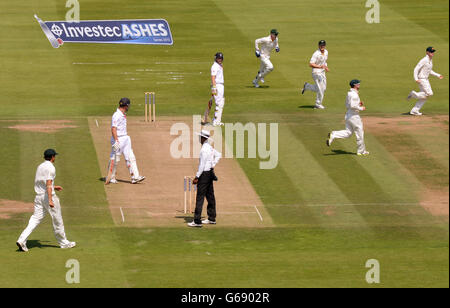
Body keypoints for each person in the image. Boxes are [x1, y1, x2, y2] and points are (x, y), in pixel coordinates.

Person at [16, 149, 76, 251]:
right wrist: (50, 200)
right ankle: (64, 243)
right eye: (54, 156)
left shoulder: (40, 166)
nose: (55, 158)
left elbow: (42, 182)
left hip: (38, 197)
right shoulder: (51, 168)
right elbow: (48, 184)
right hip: (48, 196)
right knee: (57, 220)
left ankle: (21, 240)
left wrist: (54, 186)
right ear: (52, 157)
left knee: (35, 219)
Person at [106, 97, 146, 184]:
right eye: (128, 106)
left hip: (126, 138)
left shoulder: (122, 114)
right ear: (126, 106)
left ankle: (135, 177)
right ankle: (111, 177)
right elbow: (113, 129)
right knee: (115, 159)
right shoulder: (116, 115)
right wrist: (116, 140)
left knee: (131, 157)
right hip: (119, 139)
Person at [188, 130, 222, 228]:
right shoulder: (210, 147)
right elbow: (218, 154)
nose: (199, 138)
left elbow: (202, 165)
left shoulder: (204, 150)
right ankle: (212, 218)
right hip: (210, 173)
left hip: (204, 175)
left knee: (200, 197)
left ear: (203, 138)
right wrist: (212, 165)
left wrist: (197, 177)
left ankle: (197, 220)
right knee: (210, 195)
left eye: (200, 137)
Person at [326, 80, 369, 156]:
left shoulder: (350, 93)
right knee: (360, 134)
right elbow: (352, 106)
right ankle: (361, 151)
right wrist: (361, 108)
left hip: (349, 115)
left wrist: (358, 104)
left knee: (348, 133)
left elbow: (348, 104)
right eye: (358, 84)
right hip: (354, 117)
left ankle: (334, 134)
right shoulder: (354, 95)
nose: (359, 85)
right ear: (355, 85)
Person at [407, 47, 444, 116]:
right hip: (422, 79)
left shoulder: (430, 60)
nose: (432, 53)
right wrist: (416, 79)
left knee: (424, 97)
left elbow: (429, 71)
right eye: (431, 52)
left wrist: (438, 75)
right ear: (427, 52)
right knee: (430, 93)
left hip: (426, 79)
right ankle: (414, 94)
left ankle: (414, 110)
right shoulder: (424, 60)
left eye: (433, 52)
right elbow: (416, 69)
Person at [301, 40, 329, 109]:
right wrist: (320, 67)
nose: (322, 46)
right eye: (321, 45)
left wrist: (325, 67)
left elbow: (324, 61)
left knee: (323, 88)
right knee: (320, 89)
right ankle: (318, 104)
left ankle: (307, 86)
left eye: (323, 45)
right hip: (316, 72)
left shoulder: (326, 52)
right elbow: (311, 64)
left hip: (322, 72)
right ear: (318, 46)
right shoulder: (316, 54)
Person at [211, 52, 225, 126]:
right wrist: (214, 87)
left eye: (221, 58)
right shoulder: (214, 66)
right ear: (216, 58)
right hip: (217, 85)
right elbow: (213, 76)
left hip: (220, 85)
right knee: (218, 103)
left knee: (221, 102)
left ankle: (217, 120)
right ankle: (215, 121)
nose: (220, 60)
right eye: (218, 58)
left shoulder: (219, 65)